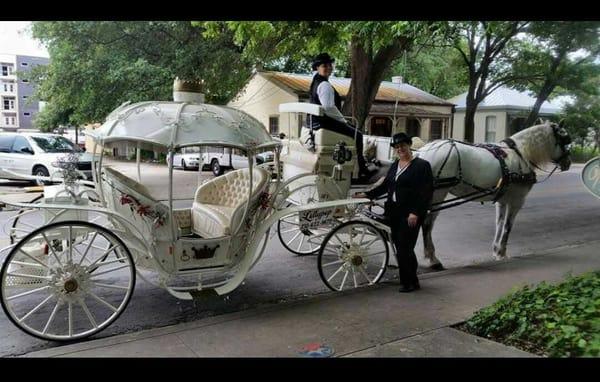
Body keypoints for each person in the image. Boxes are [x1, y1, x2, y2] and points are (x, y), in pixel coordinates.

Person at [354, 132, 434, 292]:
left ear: (409, 145)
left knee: (405, 247)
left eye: (402, 146)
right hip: (394, 212)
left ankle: (408, 283)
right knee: (400, 247)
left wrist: (415, 212)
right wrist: (368, 194)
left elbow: (426, 192)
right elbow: (386, 186)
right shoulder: (395, 165)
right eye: (397, 147)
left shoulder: (422, 166)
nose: (400, 149)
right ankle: (412, 280)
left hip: (410, 214)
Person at [308, 53, 375, 181]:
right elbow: (329, 108)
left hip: (316, 122)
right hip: (325, 122)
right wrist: (343, 121)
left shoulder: (315, 82)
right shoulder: (324, 85)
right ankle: (362, 170)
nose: (328, 68)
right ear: (317, 67)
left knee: (352, 129)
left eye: (329, 65)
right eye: (324, 66)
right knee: (358, 135)